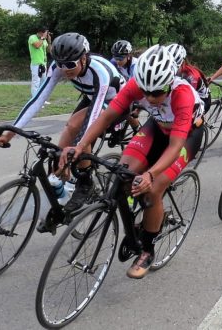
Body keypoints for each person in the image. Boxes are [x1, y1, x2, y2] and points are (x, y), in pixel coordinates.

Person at [60, 44, 204, 279]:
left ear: (170, 81)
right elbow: (106, 117)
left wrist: (149, 175)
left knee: (153, 189)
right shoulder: (137, 85)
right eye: (145, 91)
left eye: (157, 92)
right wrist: (80, 145)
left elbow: (175, 146)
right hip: (156, 128)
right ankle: (138, 218)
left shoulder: (183, 95)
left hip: (186, 137)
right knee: (122, 173)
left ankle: (147, 249)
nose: (149, 98)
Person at [0, 32, 125, 233]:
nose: (64, 70)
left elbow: (93, 118)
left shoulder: (100, 72)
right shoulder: (60, 67)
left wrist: (78, 147)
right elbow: (37, 100)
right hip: (92, 97)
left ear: (84, 58)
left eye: (70, 65)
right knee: (61, 151)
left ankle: (85, 182)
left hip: (116, 103)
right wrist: (11, 132)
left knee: (77, 128)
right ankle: (61, 194)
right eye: (60, 64)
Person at [168, 43, 211, 114]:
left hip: (203, 99)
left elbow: (188, 98)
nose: (171, 69)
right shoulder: (179, 70)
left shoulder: (191, 77)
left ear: (183, 63)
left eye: (174, 65)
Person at [28, 27, 51, 100]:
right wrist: (43, 38)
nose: (46, 34)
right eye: (45, 33)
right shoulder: (32, 37)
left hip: (43, 63)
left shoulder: (43, 40)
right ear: (41, 32)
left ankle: (42, 99)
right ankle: (34, 99)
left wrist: (49, 41)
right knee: (36, 82)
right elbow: (37, 46)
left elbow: (49, 50)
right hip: (36, 63)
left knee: (43, 82)